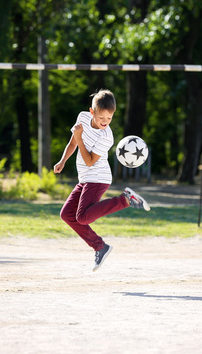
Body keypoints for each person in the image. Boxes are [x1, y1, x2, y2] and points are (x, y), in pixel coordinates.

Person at [54, 89, 150, 271]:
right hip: (85, 178)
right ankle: (100, 247)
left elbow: (89, 160)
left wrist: (79, 138)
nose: (105, 122)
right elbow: (73, 142)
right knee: (66, 214)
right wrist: (62, 161)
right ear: (92, 112)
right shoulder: (82, 117)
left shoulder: (107, 137)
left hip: (98, 178)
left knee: (82, 217)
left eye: (109, 119)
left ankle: (125, 200)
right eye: (101, 118)